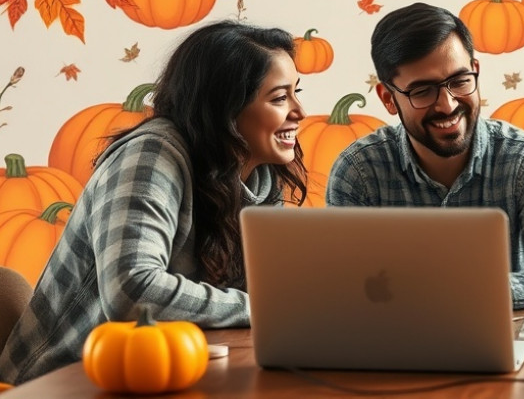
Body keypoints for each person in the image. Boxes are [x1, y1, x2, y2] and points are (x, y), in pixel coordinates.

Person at [0, 20, 308, 384]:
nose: (299, 111)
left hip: (174, 376)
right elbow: (133, 292)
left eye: (296, 93)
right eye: (279, 98)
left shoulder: (258, 177)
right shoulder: (149, 156)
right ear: (223, 107)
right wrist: (268, 308)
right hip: (60, 383)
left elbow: (261, 293)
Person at [326, 2, 524, 309]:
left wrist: (467, 290)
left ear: (476, 71)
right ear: (389, 99)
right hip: (392, 348)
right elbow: (343, 285)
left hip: (505, 345)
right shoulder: (358, 172)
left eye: (459, 81)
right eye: (423, 91)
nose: (447, 105)